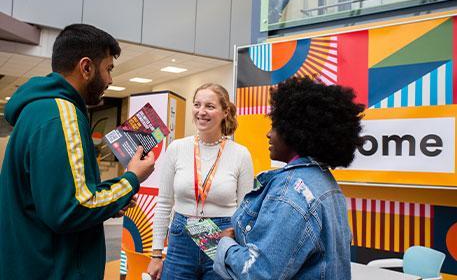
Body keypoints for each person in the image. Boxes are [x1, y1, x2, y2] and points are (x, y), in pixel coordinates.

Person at [0, 24, 155, 279]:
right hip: (54, 269)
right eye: (108, 69)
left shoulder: (38, 111)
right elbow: (72, 208)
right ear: (86, 67)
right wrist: (131, 179)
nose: (110, 80)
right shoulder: (63, 116)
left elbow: (55, 199)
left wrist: (109, 203)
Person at [213, 77, 365, 280]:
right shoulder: (326, 183)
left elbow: (258, 273)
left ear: (296, 132)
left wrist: (226, 245)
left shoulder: (290, 192)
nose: (268, 134)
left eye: (275, 126)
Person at [147, 83, 254, 280]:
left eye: (210, 106)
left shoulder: (240, 154)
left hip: (223, 239)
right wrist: (155, 255)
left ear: (225, 112)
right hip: (180, 237)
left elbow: (245, 211)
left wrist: (240, 248)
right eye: (197, 105)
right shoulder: (177, 148)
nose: (201, 112)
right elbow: (163, 204)